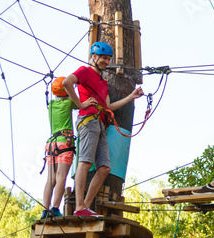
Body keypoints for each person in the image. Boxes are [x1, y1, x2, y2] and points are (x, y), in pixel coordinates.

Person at [63, 41, 145, 216]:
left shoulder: (103, 83)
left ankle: (85, 206)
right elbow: (66, 83)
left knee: (105, 167)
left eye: (108, 59)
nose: (106, 62)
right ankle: (79, 207)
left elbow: (109, 107)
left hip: (99, 123)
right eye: (103, 58)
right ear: (94, 56)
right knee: (85, 162)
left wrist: (131, 96)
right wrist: (80, 104)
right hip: (88, 120)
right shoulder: (84, 71)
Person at [41, 77, 86, 219]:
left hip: (51, 144)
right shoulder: (68, 103)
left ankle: (45, 210)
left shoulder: (51, 105)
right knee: (61, 176)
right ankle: (55, 208)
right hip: (64, 143)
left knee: (51, 179)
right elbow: (80, 103)